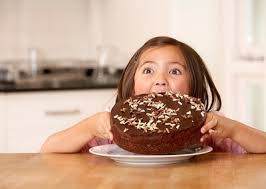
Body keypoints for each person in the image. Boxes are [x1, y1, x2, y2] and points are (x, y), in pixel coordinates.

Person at [40, 36, 266, 154]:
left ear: (193, 85)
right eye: (148, 70)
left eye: (174, 71)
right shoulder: (114, 130)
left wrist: (233, 129)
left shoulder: (207, 129)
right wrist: (89, 126)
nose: (160, 79)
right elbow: (49, 149)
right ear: (132, 82)